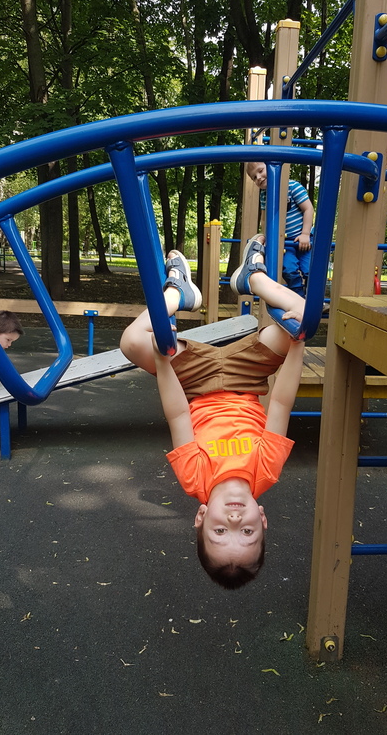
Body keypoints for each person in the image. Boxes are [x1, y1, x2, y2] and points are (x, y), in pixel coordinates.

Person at [120, 235, 305, 589]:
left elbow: (178, 415)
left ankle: (178, 292)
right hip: (247, 375)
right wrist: (297, 346)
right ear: (262, 519)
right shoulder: (267, 469)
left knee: (131, 340)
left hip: (196, 380)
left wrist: (162, 360)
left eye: (220, 531)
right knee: (305, 313)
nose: (234, 520)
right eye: (247, 531)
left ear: (201, 517)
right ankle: (253, 277)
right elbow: (281, 404)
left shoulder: (194, 477)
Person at [246, 161, 314, 297]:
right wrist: (267, 236)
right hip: (284, 242)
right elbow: (264, 218)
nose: (258, 177)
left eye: (260, 171)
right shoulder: (264, 195)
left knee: (311, 270)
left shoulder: (292, 186)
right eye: (254, 177)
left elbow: (308, 209)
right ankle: (299, 299)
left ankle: (314, 300)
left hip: (304, 239)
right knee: (288, 270)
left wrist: (305, 233)